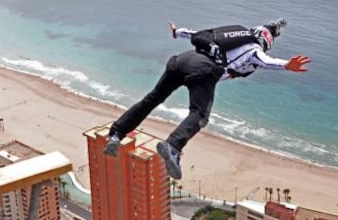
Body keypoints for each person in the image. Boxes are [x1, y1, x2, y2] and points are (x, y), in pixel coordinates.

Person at [104, 19, 311, 180]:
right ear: (265, 42)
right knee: (199, 114)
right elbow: (265, 61)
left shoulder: (227, 37)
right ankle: (173, 146)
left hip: (180, 61)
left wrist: (177, 32)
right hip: (202, 71)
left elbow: (194, 34)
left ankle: (116, 135)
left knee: (152, 99)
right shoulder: (254, 49)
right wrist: (286, 65)